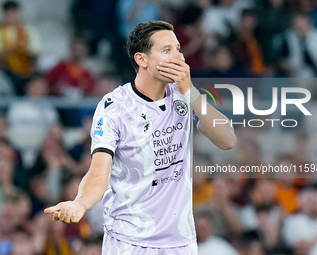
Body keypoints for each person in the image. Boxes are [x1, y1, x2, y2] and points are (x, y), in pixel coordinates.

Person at [44, 20, 236, 254]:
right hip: (129, 242)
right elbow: (98, 173)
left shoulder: (185, 95)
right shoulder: (115, 107)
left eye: (178, 49)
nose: (178, 57)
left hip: (180, 242)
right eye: (166, 51)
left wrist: (190, 91)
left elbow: (227, 140)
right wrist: (80, 203)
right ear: (141, 59)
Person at [0, 1, 41, 95]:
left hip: (26, 70)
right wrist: (12, 50)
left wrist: (23, 52)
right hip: (6, 71)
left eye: (13, 13)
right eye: (8, 13)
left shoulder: (29, 31)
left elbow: (35, 54)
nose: (11, 16)